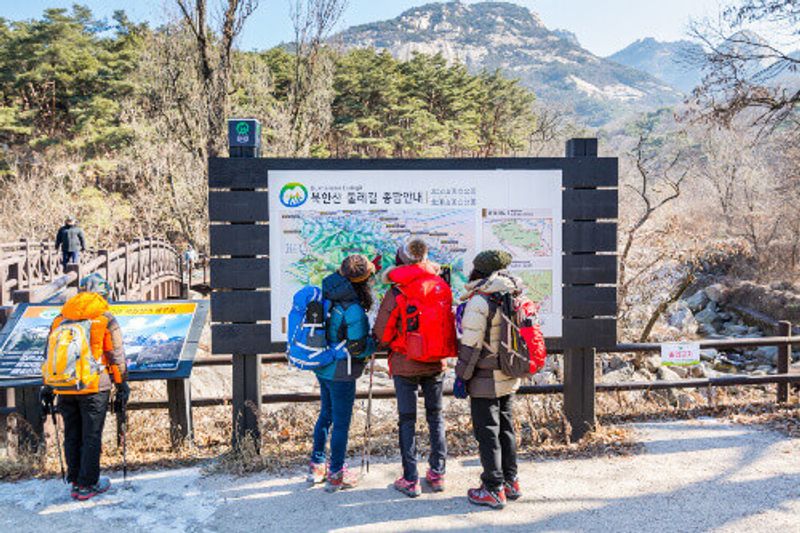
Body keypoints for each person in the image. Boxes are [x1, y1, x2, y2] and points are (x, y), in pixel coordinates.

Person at [373, 239, 456, 497]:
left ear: (402, 262)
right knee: (436, 417)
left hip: (405, 363)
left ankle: (411, 479)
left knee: (407, 420)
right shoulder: (442, 285)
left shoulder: (398, 292)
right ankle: (437, 473)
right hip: (435, 362)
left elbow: (383, 334)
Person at [40, 273, 129, 501]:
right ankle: (88, 484)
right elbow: (116, 356)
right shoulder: (105, 319)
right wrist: (121, 385)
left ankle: (76, 482)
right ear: (103, 295)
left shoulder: (60, 319)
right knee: (91, 435)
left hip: (65, 386)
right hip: (93, 386)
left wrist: (48, 386)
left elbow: (49, 356)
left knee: (71, 433)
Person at [454, 250, 524, 510]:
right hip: (509, 372)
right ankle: (511, 481)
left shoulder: (480, 301)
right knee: (505, 428)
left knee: (487, 433)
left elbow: (471, 345)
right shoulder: (513, 294)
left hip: (486, 377)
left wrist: (461, 377)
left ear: (478, 271)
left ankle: (493, 488)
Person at [308, 254, 376, 492]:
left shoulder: (328, 292)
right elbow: (357, 347)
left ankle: (317, 465)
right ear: (362, 281)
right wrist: (374, 345)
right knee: (341, 423)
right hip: (341, 371)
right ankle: (336, 473)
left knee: (325, 414)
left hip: (323, 365)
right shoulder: (354, 308)